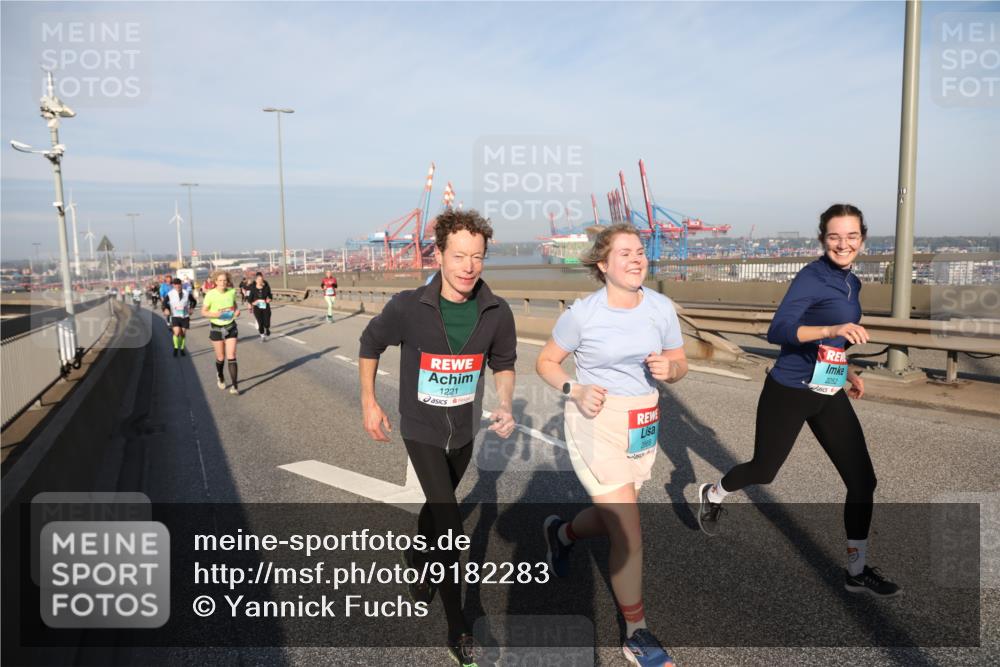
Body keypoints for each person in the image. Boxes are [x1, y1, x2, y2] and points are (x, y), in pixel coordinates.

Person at [696, 203, 900, 598]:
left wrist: (847, 369)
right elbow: (779, 330)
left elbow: (834, 342)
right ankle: (714, 492)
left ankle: (856, 571)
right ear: (823, 239)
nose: (844, 244)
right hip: (789, 390)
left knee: (863, 481)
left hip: (826, 388)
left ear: (862, 238)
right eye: (835, 237)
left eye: (852, 236)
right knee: (764, 470)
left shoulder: (850, 281)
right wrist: (834, 326)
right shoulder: (811, 277)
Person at [359, 209, 517, 666]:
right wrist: (369, 402)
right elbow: (370, 344)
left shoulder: (496, 311)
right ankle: (458, 626)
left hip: (464, 431)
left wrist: (504, 402)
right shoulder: (410, 307)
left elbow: (503, 363)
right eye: (459, 256)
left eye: (478, 257)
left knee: (438, 503)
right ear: (440, 255)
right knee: (451, 525)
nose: (468, 266)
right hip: (422, 429)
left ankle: (417, 550)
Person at [535, 223, 687, 667]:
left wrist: (670, 371)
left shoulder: (660, 307)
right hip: (595, 420)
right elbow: (546, 362)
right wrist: (574, 390)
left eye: (640, 251)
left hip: (642, 420)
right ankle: (637, 634)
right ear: (603, 266)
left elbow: (680, 364)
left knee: (613, 517)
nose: (637, 259)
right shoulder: (584, 314)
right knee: (628, 529)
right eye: (625, 253)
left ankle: (560, 534)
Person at [201, 270, 241, 395]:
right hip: (216, 328)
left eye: (225, 280)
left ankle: (235, 387)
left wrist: (236, 312)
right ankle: (220, 374)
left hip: (230, 326)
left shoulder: (231, 292)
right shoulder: (210, 294)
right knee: (220, 357)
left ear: (227, 281)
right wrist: (216, 314)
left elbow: (234, 306)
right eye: (220, 280)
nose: (223, 282)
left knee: (232, 355)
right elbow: (204, 312)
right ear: (215, 282)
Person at [165, 278, 193, 357]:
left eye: (178, 284)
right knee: (177, 332)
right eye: (175, 284)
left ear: (181, 284)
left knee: (183, 334)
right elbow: (164, 303)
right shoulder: (170, 294)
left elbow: (193, 301)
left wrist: (191, 308)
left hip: (185, 316)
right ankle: (176, 348)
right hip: (175, 316)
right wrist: (166, 309)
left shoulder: (186, 293)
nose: (177, 286)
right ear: (173, 285)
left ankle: (182, 348)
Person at [246, 272, 273, 341]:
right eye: (259, 280)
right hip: (257, 308)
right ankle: (262, 335)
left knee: (266, 322)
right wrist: (252, 303)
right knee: (260, 323)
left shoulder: (266, 287)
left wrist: (269, 299)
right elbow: (249, 299)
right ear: (256, 280)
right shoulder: (253, 288)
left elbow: (270, 295)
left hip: (265, 307)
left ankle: (267, 328)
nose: (260, 281)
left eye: (261, 280)